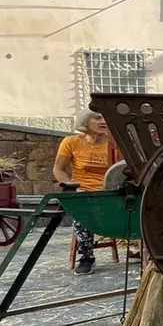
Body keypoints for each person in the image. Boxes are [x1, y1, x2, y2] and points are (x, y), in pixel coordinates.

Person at [52, 110, 114, 275]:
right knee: (81, 208)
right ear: (84, 122)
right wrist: (73, 186)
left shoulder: (115, 143)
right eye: (97, 118)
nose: (103, 121)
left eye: (105, 117)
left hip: (111, 192)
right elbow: (58, 170)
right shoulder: (71, 142)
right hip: (84, 192)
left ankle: (139, 249)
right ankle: (86, 256)